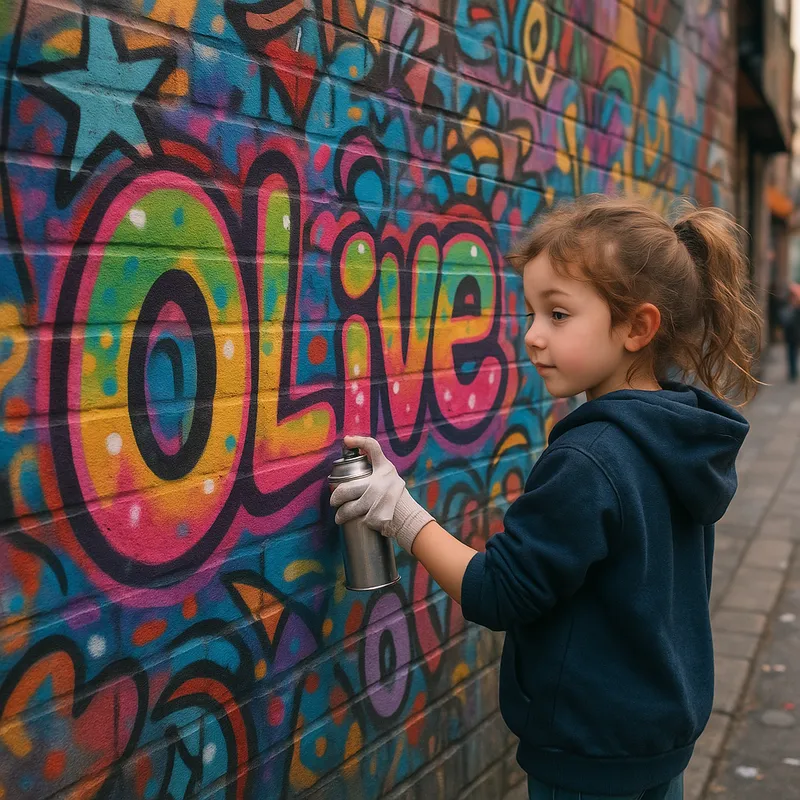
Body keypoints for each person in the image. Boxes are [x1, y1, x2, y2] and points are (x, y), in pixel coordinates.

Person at [330, 196, 762, 800]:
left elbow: (498, 591)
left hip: (587, 757)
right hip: (657, 741)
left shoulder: (590, 460)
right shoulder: (678, 436)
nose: (532, 336)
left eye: (558, 315)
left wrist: (399, 512)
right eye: (532, 312)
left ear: (637, 327)